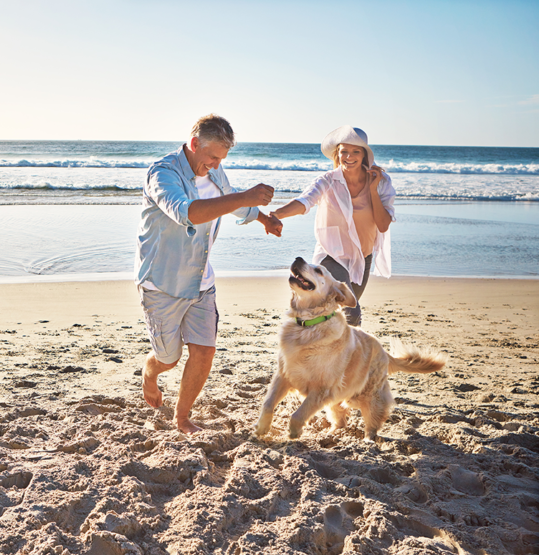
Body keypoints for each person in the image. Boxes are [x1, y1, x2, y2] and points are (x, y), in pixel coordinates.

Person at [135, 114, 282, 434]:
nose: (216, 164)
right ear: (193, 144)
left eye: (222, 159)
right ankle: (150, 371)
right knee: (169, 359)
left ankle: (182, 417)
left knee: (204, 352)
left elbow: (230, 202)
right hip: (163, 282)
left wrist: (262, 218)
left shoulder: (214, 171)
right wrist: (244, 197)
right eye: (213, 157)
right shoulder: (162, 175)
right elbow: (187, 213)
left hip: (201, 279)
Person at [268, 125, 395, 326]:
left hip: (363, 257)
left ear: (364, 155)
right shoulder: (328, 180)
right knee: (351, 313)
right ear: (337, 153)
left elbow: (383, 224)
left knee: (340, 315)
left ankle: (329, 350)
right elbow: (305, 201)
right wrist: (276, 215)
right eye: (344, 151)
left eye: (356, 151)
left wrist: (372, 189)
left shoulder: (381, 183)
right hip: (332, 255)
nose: (349, 157)